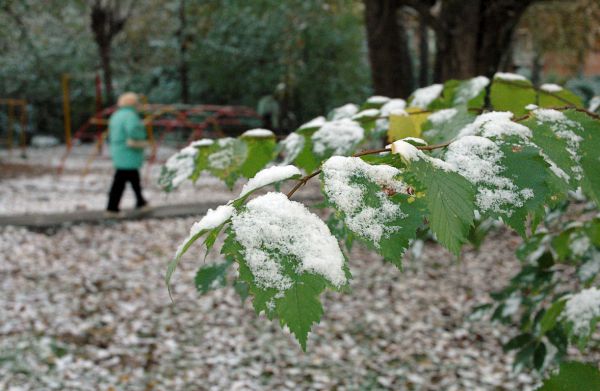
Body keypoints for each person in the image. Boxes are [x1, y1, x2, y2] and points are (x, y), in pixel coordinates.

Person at [106, 92, 149, 214]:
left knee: (132, 178)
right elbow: (133, 130)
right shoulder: (130, 115)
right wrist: (142, 135)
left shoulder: (116, 115)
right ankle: (112, 208)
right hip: (129, 152)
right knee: (121, 180)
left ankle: (141, 202)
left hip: (119, 150)